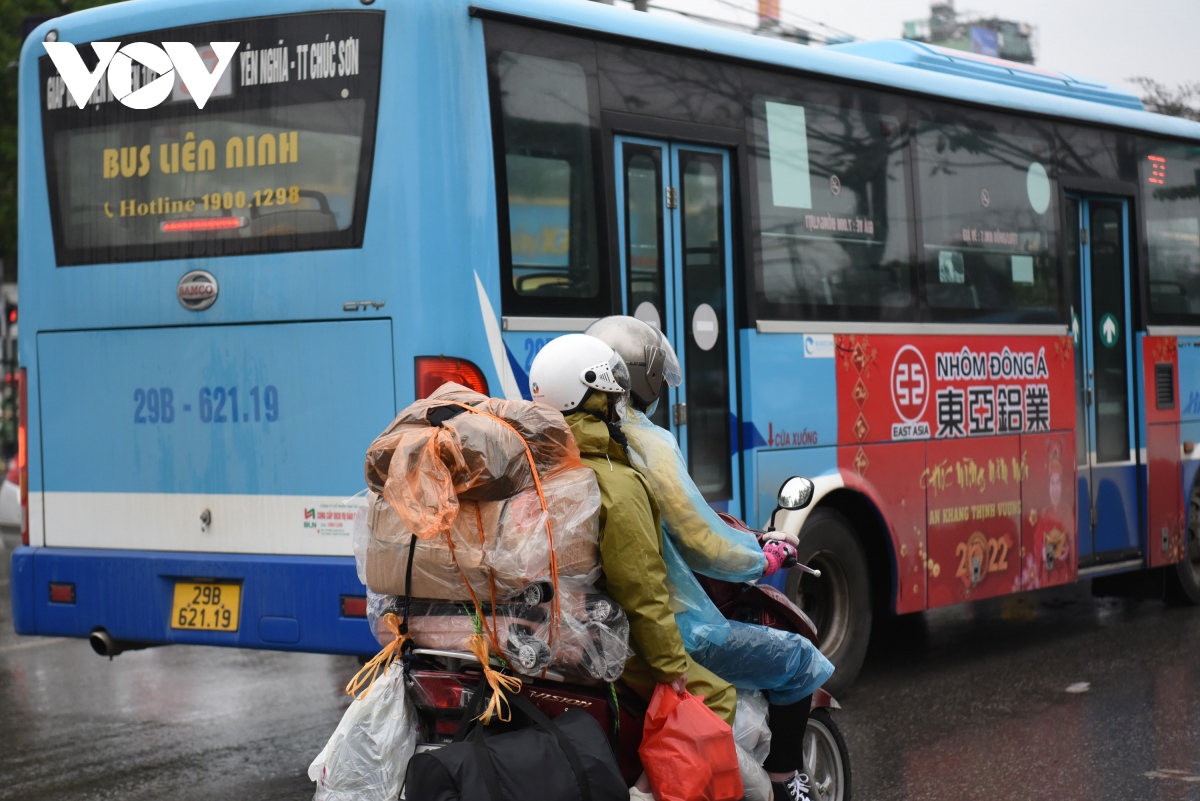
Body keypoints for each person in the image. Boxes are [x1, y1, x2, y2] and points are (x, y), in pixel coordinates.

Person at [586, 316, 834, 801]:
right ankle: (785, 780)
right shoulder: (643, 440)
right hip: (672, 625)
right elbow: (699, 537)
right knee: (800, 659)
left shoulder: (572, 441)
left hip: (602, 620)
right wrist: (760, 558)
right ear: (645, 376)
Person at [528, 334, 737, 800]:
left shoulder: (538, 462)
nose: (619, 403)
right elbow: (641, 585)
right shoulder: (613, 482)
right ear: (589, 398)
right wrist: (669, 666)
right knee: (715, 696)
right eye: (610, 394)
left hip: (536, 627)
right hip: (594, 636)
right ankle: (645, 793)